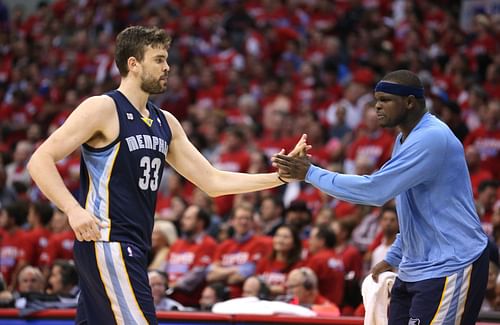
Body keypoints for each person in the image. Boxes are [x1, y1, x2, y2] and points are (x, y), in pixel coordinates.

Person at [27, 26, 307, 324]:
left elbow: (212, 182)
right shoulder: (103, 108)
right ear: (133, 64)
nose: (167, 67)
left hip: (133, 246)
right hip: (108, 242)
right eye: (159, 59)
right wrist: (72, 209)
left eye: (166, 59)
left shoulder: (166, 122)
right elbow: (40, 159)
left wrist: (278, 178)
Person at [273, 70, 489, 324]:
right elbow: (414, 206)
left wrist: (310, 173)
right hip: (415, 267)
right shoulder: (404, 138)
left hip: (451, 264)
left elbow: (374, 190)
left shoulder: (432, 137)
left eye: (385, 99)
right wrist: (395, 255)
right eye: (376, 99)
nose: (376, 106)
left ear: (409, 102)